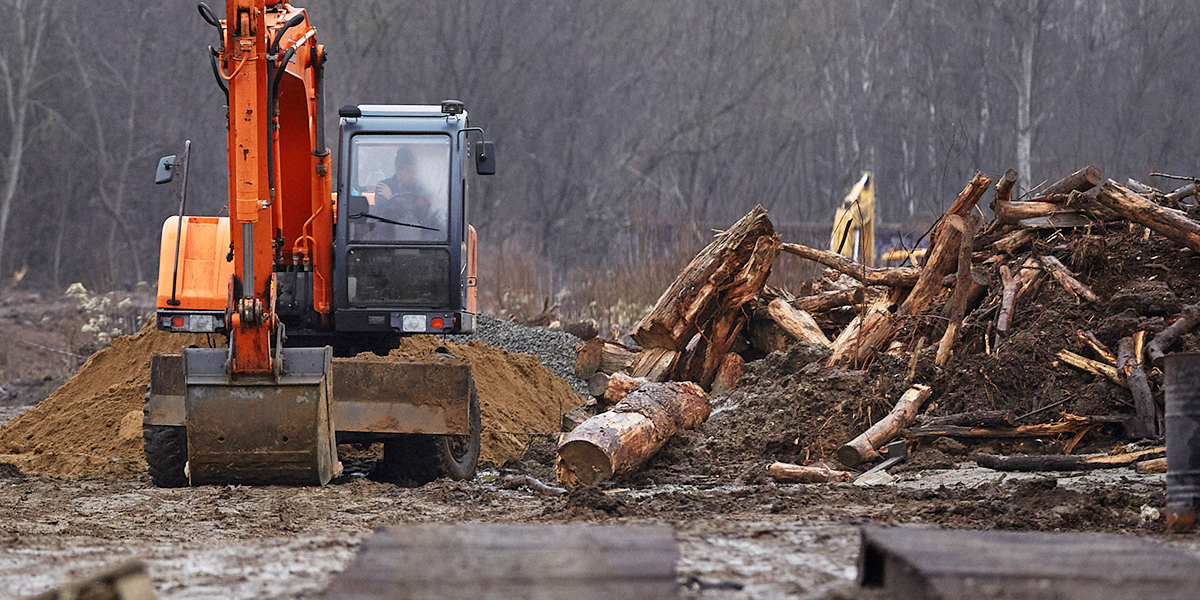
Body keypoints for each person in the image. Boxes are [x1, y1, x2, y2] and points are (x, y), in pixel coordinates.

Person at [373, 147, 440, 232]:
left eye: (415, 172)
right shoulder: (383, 186)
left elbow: (417, 213)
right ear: (398, 170)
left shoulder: (420, 187)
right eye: (410, 172)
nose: (414, 176)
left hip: (419, 233)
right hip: (388, 235)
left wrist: (391, 198)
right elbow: (384, 215)